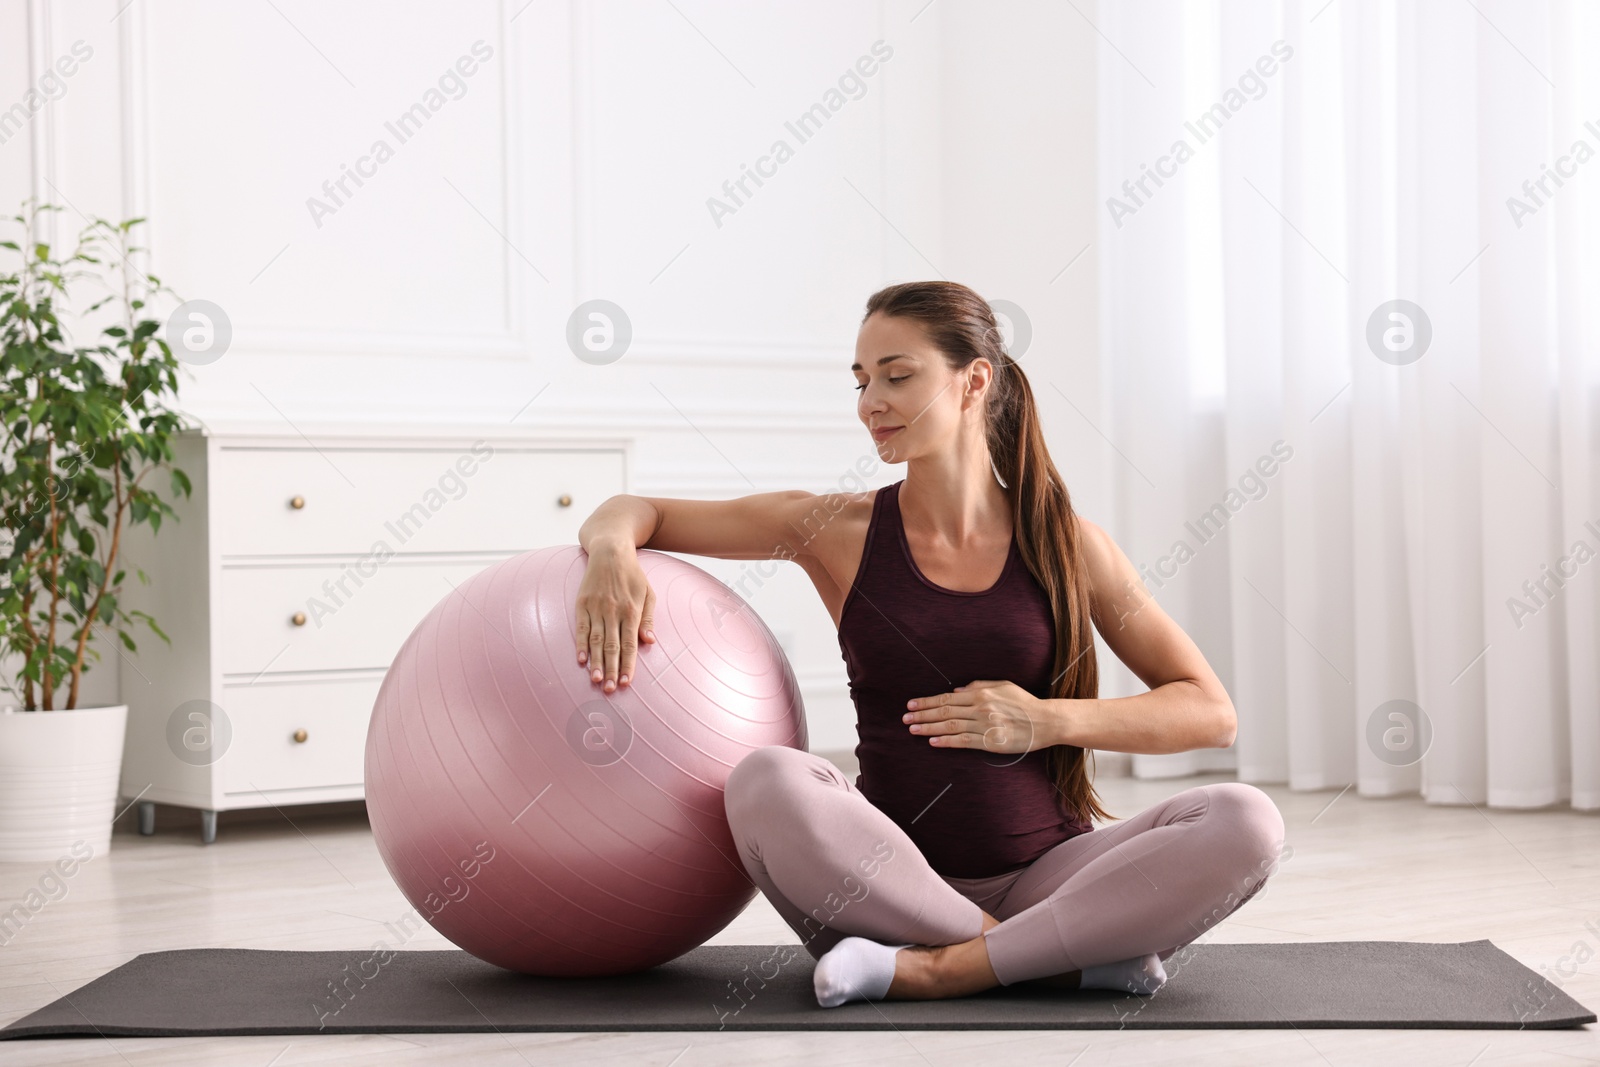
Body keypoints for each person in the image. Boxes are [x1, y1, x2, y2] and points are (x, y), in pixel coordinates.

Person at [572, 280, 1287, 1008]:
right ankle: (1047, 957)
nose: (869, 402)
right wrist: (609, 553)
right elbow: (640, 510)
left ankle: (947, 969)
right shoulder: (835, 530)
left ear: (974, 379)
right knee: (767, 780)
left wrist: (1045, 719)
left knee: (1246, 819)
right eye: (860, 381)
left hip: (1052, 877)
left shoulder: (1069, 544)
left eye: (896, 374)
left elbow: (1208, 711)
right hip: (883, 883)